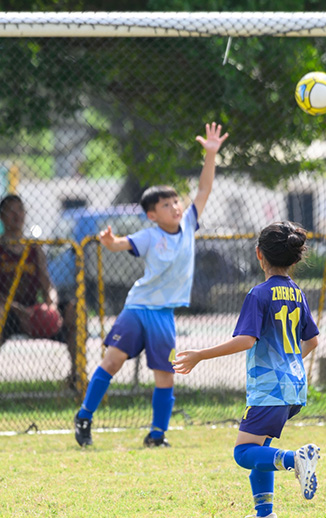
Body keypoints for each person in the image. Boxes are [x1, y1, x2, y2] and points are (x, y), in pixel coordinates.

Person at [72, 122, 229, 448]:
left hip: (163, 315)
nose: (175, 207)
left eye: (175, 202)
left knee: (165, 375)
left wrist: (210, 154)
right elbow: (119, 245)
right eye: (166, 205)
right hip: (138, 307)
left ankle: (157, 435)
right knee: (112, 362)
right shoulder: (149, 236)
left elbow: (203, 190)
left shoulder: (188, 224)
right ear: (152, 215)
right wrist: (110, 240)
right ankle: (85, 415)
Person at [173, 221, 320, 518]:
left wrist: (200, 355)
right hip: (294, 386)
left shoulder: (259, 294)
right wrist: (289, 363)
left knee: (243, 453)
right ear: (294, 259)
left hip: (269, 388)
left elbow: (246, 340)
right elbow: (313, 341)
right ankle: (265, 516)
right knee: (260, 448)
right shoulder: (297, 293)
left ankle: (295, 459)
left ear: (258, 255)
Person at [0, 194, 73, 396]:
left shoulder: (34, 248)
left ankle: (76, 375)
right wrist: (18, 310)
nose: (17, 215)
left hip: (31, 312)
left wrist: (51, 305)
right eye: (11, 211)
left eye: (20, 210)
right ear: (1, 216)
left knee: (74, 308)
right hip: (5, 312)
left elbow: (47, 283)